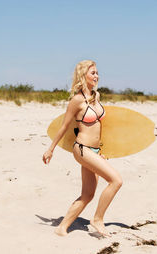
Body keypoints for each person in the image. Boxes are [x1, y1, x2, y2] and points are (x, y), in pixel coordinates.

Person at [42, 60, 123, 236]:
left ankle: (62, 228)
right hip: (82, 149)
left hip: (95, 151)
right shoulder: (76, 101)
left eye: (97, 73)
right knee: (116, 180)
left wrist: (103, 151)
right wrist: (51, 149)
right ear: (83, 75)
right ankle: (98, 219)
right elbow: (63, 127)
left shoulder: (96, 97)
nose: (97, 76)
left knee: (87, 195)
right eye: (93, 73)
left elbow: (102, 128)